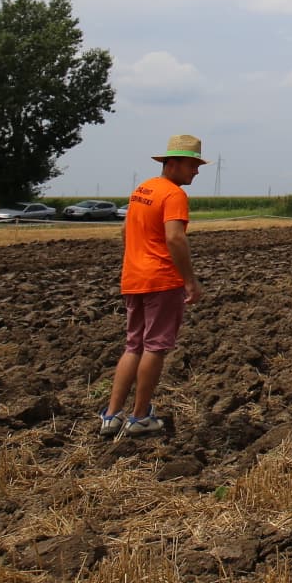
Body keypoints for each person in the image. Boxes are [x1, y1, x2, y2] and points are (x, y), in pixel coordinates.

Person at [99, 134, 206, 438]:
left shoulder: (142, 189)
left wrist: (137, 259)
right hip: (161, 280)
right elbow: (175, 237)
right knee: (155, 347)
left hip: (133, 278)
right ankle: (139, 416)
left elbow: (125, 230)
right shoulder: (173, 195)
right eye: (192, 165)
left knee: (133, 345)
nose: (195, 171)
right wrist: (190, 280)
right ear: (172, 163)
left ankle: (111, 414)